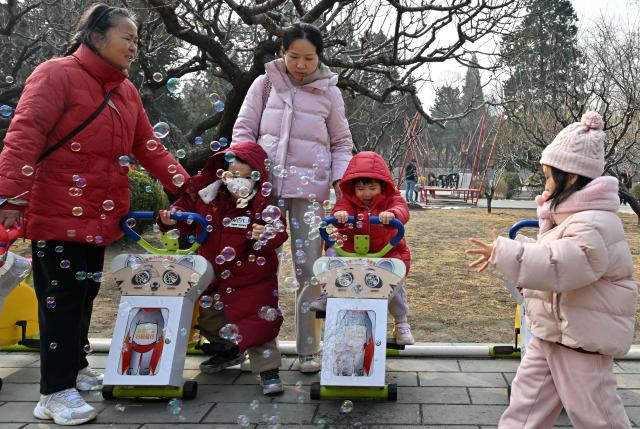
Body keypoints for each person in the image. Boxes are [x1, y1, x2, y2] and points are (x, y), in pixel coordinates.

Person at [0, 4, 190, 425]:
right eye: (129, 38)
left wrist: (188, 188)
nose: (135, 47)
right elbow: (24, 135)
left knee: (84, 296)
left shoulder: (125, 91)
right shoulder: (56, 74)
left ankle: (74, 368)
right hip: (57, 210)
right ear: (96, 36)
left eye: (138, 40)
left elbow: (149, 147)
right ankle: (53, 392)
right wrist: (10, 196)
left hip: (97, 217)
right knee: (62, 301)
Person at [465, 112, 637, 428]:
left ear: (570, 178)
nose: (545, 184)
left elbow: (560, 266)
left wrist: (507, 253)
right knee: (525, 407)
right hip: (551, 334)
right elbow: (552, 256)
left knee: (598, 415)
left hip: (582, 342)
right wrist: (513, 253)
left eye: (548, 176)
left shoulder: (594, 223)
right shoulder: (571, 218)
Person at [233, 22, 353, 373]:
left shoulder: (330, 93)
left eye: (309, 58)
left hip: (309, 193)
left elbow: (341, 143)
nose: (301, 65)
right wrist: (241, 170)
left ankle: (308, 350)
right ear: (282, 53)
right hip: (264, 192)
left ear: (320, 57)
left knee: (310, 271)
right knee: (254, 267)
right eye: (293, 56)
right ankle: (256, 348)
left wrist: (340, 181)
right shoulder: (265, 84)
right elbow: (243, 131)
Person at [158, 142, 288, 395]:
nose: (237, 182)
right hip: (214, 277)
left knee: (259, 324)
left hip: (253, 279)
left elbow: (278, 231)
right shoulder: (206, 197)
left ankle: (268, 370)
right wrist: (170, 217)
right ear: (222, 175)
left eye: (245, 176)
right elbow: (183, 214)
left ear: (257, 178)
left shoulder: (260, 205)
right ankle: (227, 349)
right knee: (209, 320)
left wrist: (265, 233)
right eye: (232, 175)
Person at [310, 151, 414, 345]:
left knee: (395, 279)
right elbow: (341, 209)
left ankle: (401, 322)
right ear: (352, 188)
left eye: (372, 188)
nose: (366, 194)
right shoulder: (349, 200)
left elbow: (402, 210)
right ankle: (328, 293)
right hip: (351, 247)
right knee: (332, 253)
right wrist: (340, 214)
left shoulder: (392, 198)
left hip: (387, 249)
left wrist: (392, 214)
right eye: (360, 189)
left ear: (383, 186)